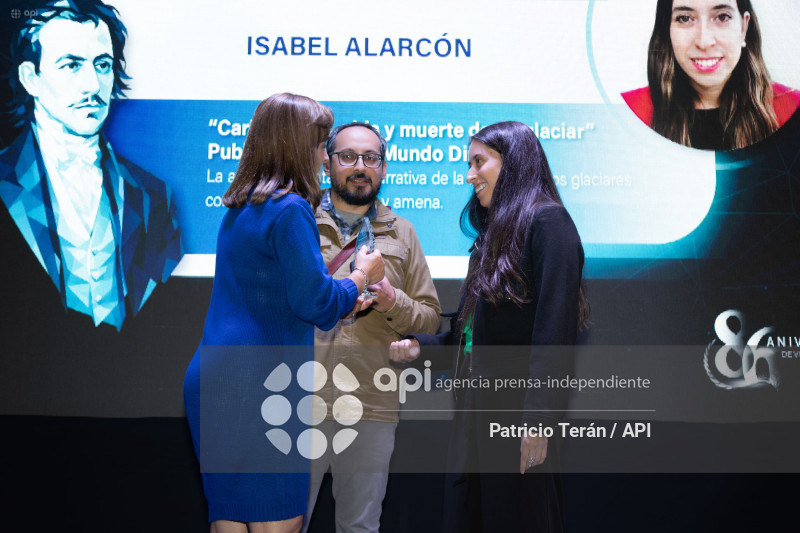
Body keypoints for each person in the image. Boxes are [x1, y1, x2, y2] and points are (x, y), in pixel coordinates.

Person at [183, 94, 385, 533]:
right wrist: (361, 276)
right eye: (319, 144)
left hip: (215, 377)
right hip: (263, 384)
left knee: (229, 523)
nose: (322, 156)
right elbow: (313, 303)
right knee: (280, 524)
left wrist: (345, 295)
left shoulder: (241, 206)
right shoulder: (292, 209)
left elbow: (275, 297)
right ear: (297, 145)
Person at [389, 121, 588, 532]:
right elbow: (470, 337)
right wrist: (420, 348)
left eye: (480, 162)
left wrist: (537, 423)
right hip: (474, 413)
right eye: (469, 163)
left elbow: (553, 335)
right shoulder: (489, 239)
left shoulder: (550, 224)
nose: (469, 175)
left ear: (513, 163)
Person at [0, 0, 181, 330]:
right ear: (31, 78)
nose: (92, 87)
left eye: (102, 65)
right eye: (71, 65)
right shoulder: (4, 179)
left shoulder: (156, 197)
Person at [303, 123, 441, 533]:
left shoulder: (401, 231)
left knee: (360, 527)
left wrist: (391, 300)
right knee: (283, 524)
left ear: (384, 167)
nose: (359, 167)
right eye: (347, 156)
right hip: (297, 402)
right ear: (327, 164)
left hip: (371, 405)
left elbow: (431, 316)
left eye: (371, 158)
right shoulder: (299, 222)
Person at [621, 0, 800, 151]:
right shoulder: (624, 113)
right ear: (667, 29)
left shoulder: (793, 108)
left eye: (722, 17)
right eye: (684, 18)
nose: (704, 41)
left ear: (744, 27)